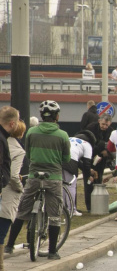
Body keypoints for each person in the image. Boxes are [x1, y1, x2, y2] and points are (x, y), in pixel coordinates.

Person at [4, 101, 70, 260]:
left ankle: (9, 245)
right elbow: (66, 158)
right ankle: (53, 252)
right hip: (53, 178)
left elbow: (29, 154)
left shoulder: (32, 132)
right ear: (57, 116)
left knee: (22, 210)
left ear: (41, 116)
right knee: (54, 215)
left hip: (34, 176)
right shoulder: (62, 135)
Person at [0, 110, 24, 271]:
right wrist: (21, 189)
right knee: (1, 233)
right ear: (13, 124)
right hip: (6, 196)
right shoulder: (17, 150)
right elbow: (13, 176)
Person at [63, 129, 96, 216]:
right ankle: (72, 210)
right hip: (70, 160)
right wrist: (88, 175)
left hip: (58, 159)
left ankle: (62, 208)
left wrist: (87, 170)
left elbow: (79, 162)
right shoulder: (87, 145)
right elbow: (87, 163)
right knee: (71, 186)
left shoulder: (70, 138)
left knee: (61, 185)